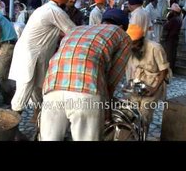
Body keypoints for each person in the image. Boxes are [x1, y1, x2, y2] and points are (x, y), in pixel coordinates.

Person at [39, 8, 131, 141]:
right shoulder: (121, 35)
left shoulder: (76, 29)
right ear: (122, 27)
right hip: (86, 90)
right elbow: (113, 78)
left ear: (102, 21)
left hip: (52, 87)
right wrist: (107, 110)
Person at [9, 0, 76, 116]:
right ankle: (12, 126)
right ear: (62, 1)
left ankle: (37, 117)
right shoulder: (55, 11)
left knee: (37, 89)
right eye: (70, 0)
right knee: (24, 88)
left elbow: (53, 31)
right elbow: (73, 31)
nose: (72, 2)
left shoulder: (45, 8)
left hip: (30, 52)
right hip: (31, 54)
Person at [125, 24, 171, 134]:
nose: (132, 46)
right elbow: (132, 68)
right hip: (139, 81)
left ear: (141, 40)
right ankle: (133, 135)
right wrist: (129, 86)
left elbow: (163, 71)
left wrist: (154, 89)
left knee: (144, 113)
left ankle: (143, 134)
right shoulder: (131, 48)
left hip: (154, 81)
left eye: (134, 43)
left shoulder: (155, 48)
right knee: (132, 110)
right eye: (130, 43)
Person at [163, 3, 183, 71]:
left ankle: (168, 69)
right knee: (173, 55)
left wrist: (167, 19)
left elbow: (166, 27)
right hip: (175, 38)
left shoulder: (174, 19)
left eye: (171, 11)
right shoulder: (179, 18)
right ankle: (171, 69)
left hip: (171, 39)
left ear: (174, 12)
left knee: (169, 55)